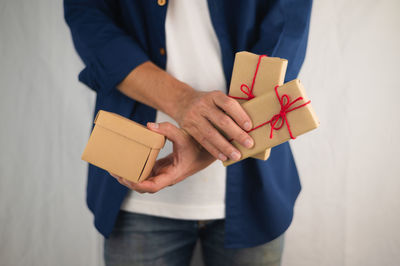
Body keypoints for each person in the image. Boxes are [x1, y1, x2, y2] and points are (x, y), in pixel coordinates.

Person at [64, 0, 312, 265]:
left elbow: (287, 25)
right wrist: (182, 101)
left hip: (255, 188)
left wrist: (209, 144)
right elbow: (88, 19)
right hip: (134, 186)